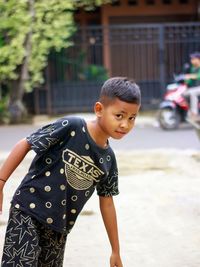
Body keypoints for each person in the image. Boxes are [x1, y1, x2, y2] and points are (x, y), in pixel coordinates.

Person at [0, 77, 141, 267]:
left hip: (59, 228)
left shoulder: (108, 160)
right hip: (28, 211)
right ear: (99, 109)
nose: (125, 124)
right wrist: (1, 182)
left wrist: (115, 251)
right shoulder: (72, 127)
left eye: (132, 118)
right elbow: (26, 143)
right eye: (119, 116)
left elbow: (107, 203)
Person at [183, 52, 200, 119]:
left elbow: (198, 76)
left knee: (193, 93)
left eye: (193, 59)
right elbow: (189, 81)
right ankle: (189, 111)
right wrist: (186, 80)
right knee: (184, 94)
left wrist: (190, 76)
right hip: (195, 88)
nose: (191, 61)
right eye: (191, 59)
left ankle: (194, 113)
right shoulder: (193, 68)